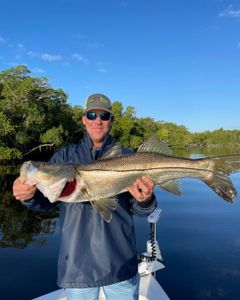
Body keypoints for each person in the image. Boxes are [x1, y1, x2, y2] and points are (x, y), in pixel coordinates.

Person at [13, 93, 157, 300]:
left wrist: (146, 200)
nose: (97, 121)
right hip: (77, 267)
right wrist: (28, 196)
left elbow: (143, 209)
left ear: (111, 121)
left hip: (120, 264)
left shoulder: (128, 157)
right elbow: (46, 202)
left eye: (104, 116)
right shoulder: (63, 158)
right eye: (92, 115)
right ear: (84, 119)